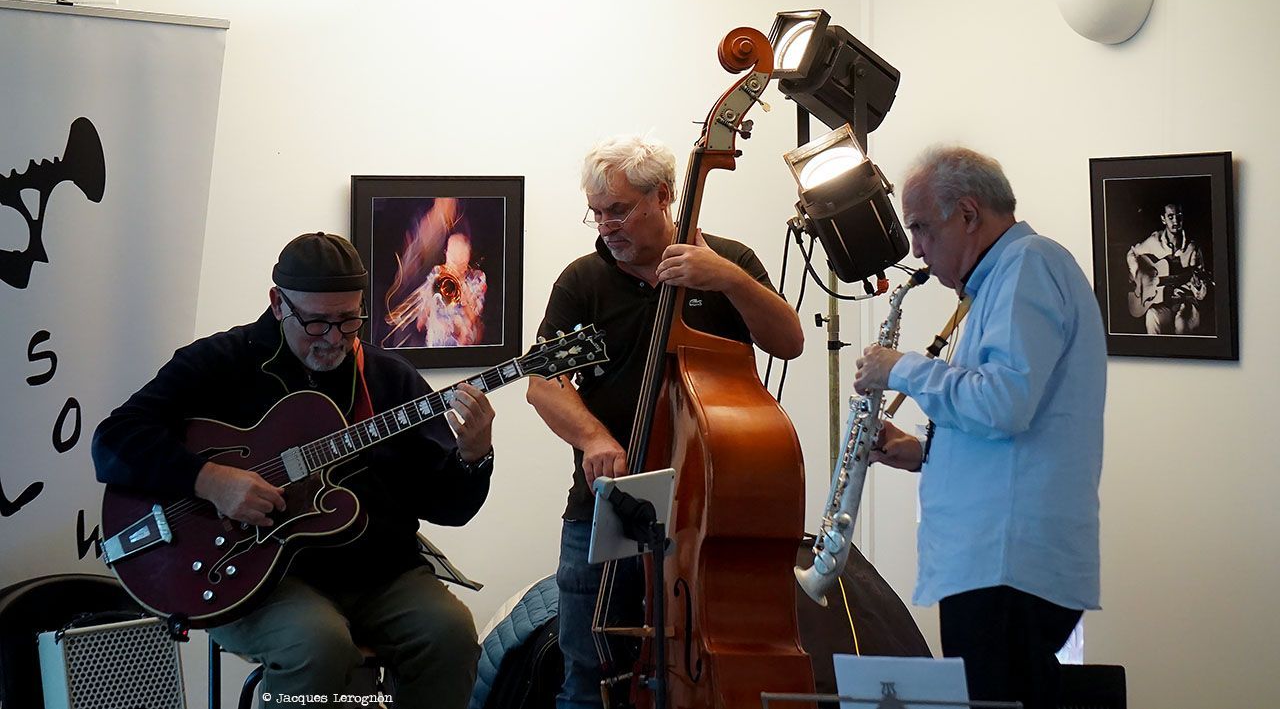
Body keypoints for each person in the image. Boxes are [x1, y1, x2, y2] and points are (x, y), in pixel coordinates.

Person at [92, 232, 495, 707]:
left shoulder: (388, 378)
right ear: (278, 303)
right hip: (252, 576)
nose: (334, 338)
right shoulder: (221, 362)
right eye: (317, 322)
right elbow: (114, 440)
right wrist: (210, 481)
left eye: (349, 320)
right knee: (317, 645)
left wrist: (473, 457)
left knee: (450, 634)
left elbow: (449, 508)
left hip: (378, 571)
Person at [525, 134, 804, 709]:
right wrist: (593, 438)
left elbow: (789, 342)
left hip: (707, 512)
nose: (606, 226)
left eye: (619, 210)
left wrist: (728, 279)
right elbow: (542, 383)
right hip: (610, 503)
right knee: (585, 680)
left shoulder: (728, 262)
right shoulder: (583, 280)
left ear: (663, 195)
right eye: (597, 213)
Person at [853, 146, 1106, 709]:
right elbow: (1008, 425)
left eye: (921, 227)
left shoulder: (1027, 266)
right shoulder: (1003, 278)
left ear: (967, 214)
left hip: (1006, 566)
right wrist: (922, 453)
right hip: (997, 564)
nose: (916, 249)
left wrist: (903, 368)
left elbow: (1004, 401)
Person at [1125, 201, 1209, 334]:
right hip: (1163, 302)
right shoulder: (1154, 241)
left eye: (1179, 216)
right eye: (1170, 217)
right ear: (1163, 219)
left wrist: (1198, 286)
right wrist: (1137, 275)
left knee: (1181, 324)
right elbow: (1133, 253)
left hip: (1185, 302)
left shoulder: (1192, 248)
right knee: (1151, 316)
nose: (1175, 221)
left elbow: (1201, 294)